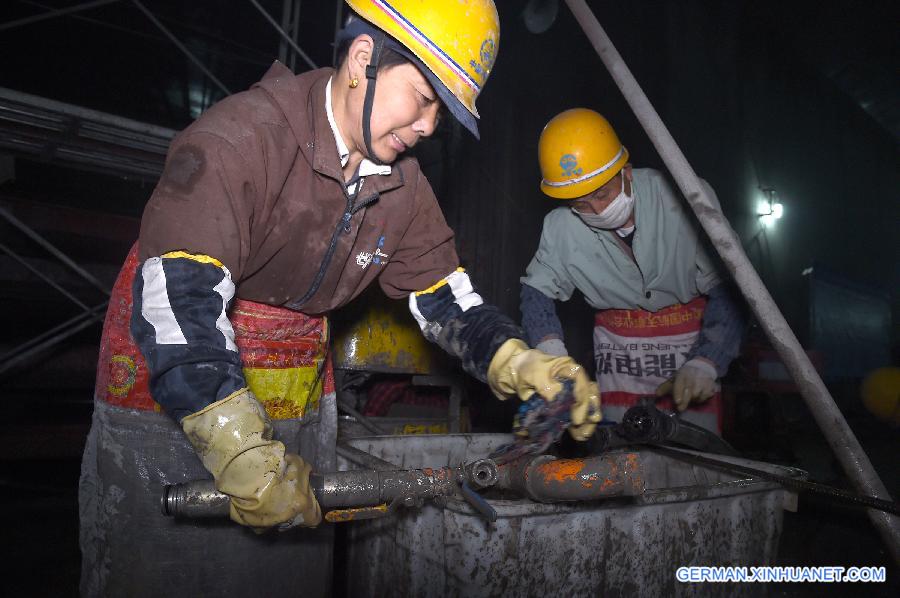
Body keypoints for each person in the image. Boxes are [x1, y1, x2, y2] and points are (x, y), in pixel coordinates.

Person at [79, 2, 600, 596]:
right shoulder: (242, 139)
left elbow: (446, 298)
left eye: (443, 112)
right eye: (424, 96)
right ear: (362, 61)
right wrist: (237, 446)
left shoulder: (402, 186)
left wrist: (519, 359)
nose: (430, 126)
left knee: (285, 571)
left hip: (296, 394)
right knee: (164, 568)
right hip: (178, 391)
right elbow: (179, 304)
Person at [520, 108, 745, 433]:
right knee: (621, 453)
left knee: (696, 452)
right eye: (580, 204)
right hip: (620, 353)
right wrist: (551, 356)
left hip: (690, 340)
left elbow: (730, 287)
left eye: (602, 193)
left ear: (625, 172)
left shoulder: (684, 197)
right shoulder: (559, 228)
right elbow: (536, 292)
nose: (596, 210)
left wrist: (707, 361)